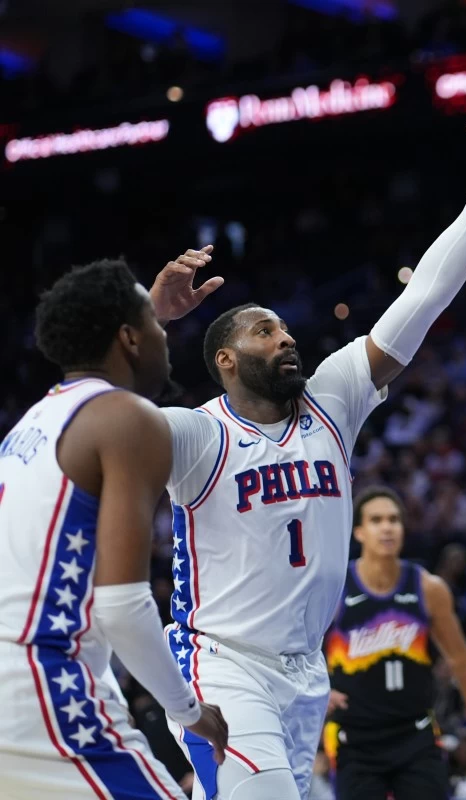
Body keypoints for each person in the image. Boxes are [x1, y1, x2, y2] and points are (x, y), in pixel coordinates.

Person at [146, 88, 466, 800]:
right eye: (265, 331)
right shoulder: (197, 433)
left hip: (309, 670)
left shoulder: (331, 399)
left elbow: (422, 299)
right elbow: (97, 416)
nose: (287, 337)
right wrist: (150, 320)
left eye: (285, 327)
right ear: (225, 360)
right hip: (221, 665)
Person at [0, 259, 228, 797]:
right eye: (151, 323)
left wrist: (152, 312)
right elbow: (123, 605)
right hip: (44, 686)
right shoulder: (129, 418)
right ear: (128, 337)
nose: (165, 339)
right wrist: (191, 712)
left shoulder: (36, 420)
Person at [324, 487, 466, 799]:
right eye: (376, 520)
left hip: (415, 733)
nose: (387, 527)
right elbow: (299, 650)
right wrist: (318, 684)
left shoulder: (428, 587)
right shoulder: (334, 588)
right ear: (358, 531)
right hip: (354, 738)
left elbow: (462, 662)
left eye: (394, 520)